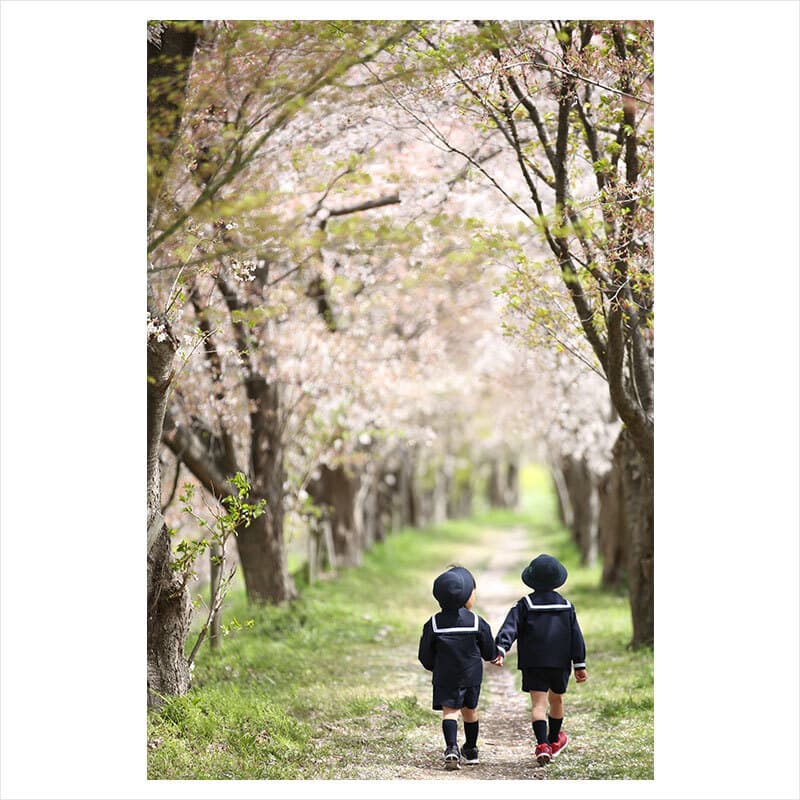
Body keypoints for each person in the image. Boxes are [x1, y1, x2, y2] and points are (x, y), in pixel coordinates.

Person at [494, 553, 587, 766]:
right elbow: (576, 637)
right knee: (557, 700)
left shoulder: (524, 604)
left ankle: (542, 744)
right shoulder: (566, 605)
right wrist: (579, 664)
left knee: (538, 705)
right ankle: (554, 740)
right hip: (560, 663)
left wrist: (500, 649)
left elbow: (510, 628)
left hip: (533, 663)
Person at [418, 565, 500, 770]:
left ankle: (452, 748)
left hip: (445, 676)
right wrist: (492, 656)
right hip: (471, 676)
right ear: (466, 597)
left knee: (450, 712)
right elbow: (488, 649)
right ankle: (471, 750)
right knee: (470, 711)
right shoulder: (476, 621)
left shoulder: (434, 623)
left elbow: (425, 653)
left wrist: (433, 667)